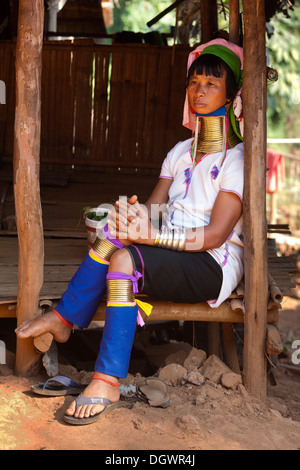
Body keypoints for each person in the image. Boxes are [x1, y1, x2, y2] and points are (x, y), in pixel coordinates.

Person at [15, 38, 244, 425]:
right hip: (176, 252)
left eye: (211, 84)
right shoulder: (179, 152)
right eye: (194, 83)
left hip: (212, 263)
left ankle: (106, 380)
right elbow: (153, 212)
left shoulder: (237, 160)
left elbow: (215, 236)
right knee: (116, 235)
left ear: (231, 95)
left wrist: (148, 235)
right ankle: (65, 318)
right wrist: (128, 214)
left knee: (123, 257)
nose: (199, 91)